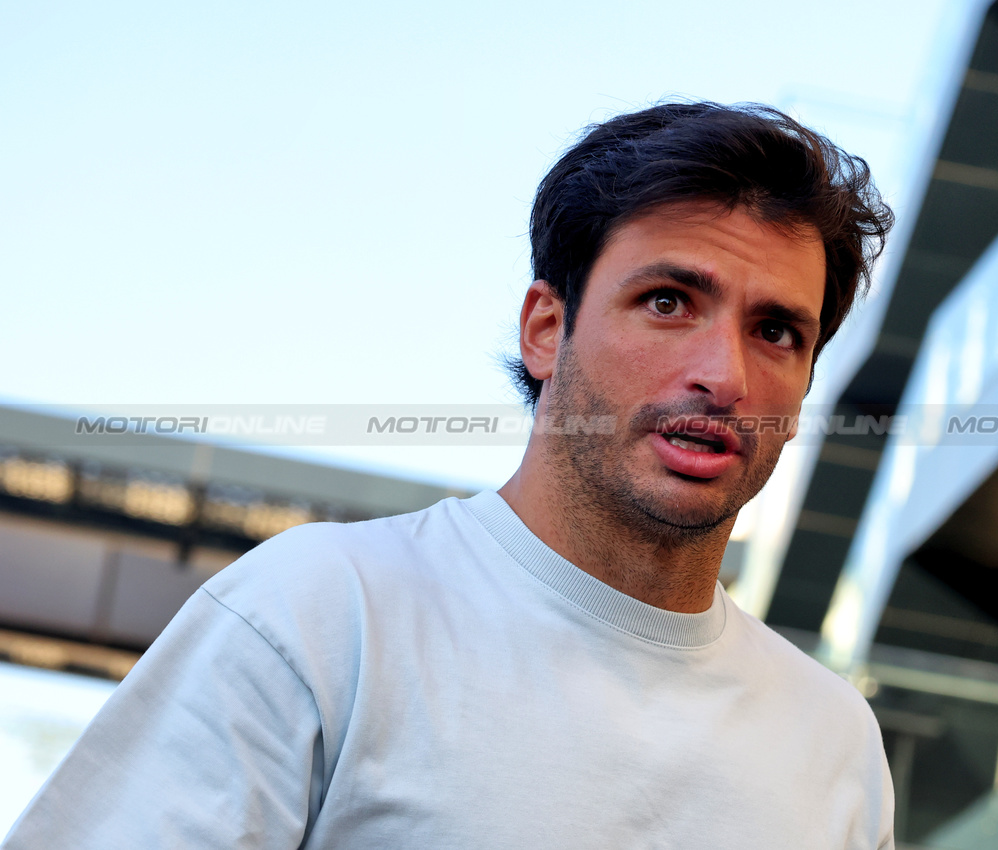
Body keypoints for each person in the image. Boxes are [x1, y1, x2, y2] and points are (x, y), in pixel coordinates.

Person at [4, 101, 895, 849]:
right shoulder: (320, 616)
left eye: (777, 331)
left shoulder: (832, 742)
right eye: (667, 302)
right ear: (546, 330)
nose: (724, 374)